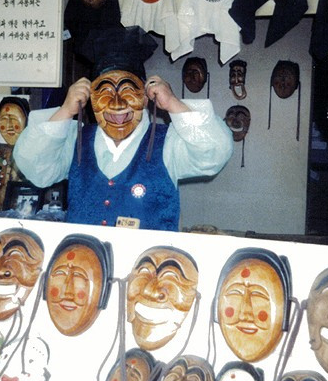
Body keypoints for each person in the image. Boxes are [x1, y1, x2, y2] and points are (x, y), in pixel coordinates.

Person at [13, 25, 233, 231]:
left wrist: (173, 103)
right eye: (105, 92)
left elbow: (215, 154)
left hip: (148, 269)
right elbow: (34, 167)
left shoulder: (169, 143)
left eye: (128, 91)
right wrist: (64, 111)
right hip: (83, 267)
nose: (117, 104)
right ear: (90, 98)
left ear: (146, 96)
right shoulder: (74, 141)